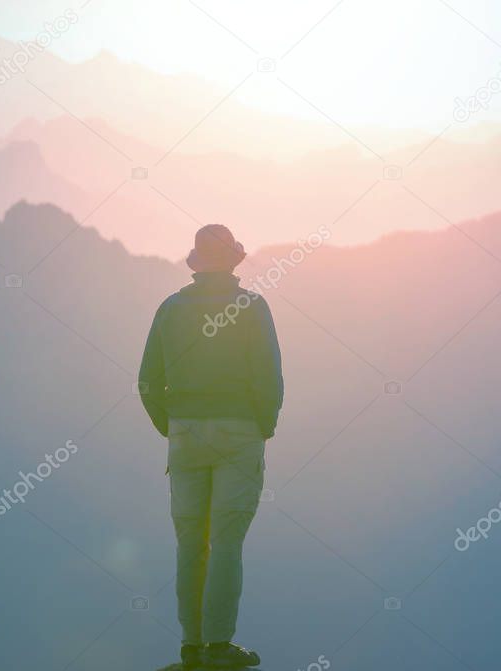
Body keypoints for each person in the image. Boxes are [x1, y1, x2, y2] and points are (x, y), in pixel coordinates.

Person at [139, 224, 284, 670]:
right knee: (225, 543)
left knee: (190, 541)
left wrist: (173, 426)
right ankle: (219, 646)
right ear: (234, 261)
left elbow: (147, 382)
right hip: (240, 431)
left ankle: (191, 646)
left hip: (185, 434)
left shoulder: (170, 308)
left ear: (197, 263)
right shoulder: (252, 307)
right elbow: (269, 379)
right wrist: (263, 427)